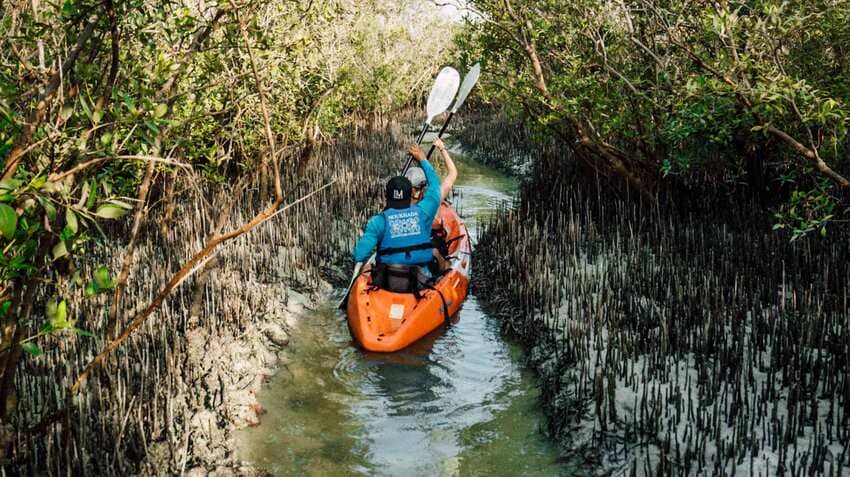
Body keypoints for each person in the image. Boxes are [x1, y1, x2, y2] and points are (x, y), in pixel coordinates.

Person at [352, 144, 441, 286]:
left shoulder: (378, 221)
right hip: (421, 281)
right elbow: (435, 186)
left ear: (386, 197)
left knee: (369, 267)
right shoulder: (423, 212)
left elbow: (359, 255)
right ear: (410, 194)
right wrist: (423, 159)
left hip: (388, 282)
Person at [404, 138, 458, 273]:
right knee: (434, 250)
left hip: (401, 258)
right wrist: (441, 148)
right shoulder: (431, 202)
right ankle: (444, 270)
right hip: (422, 258)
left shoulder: (395, 206)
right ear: (421, 189)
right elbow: (452, 174)